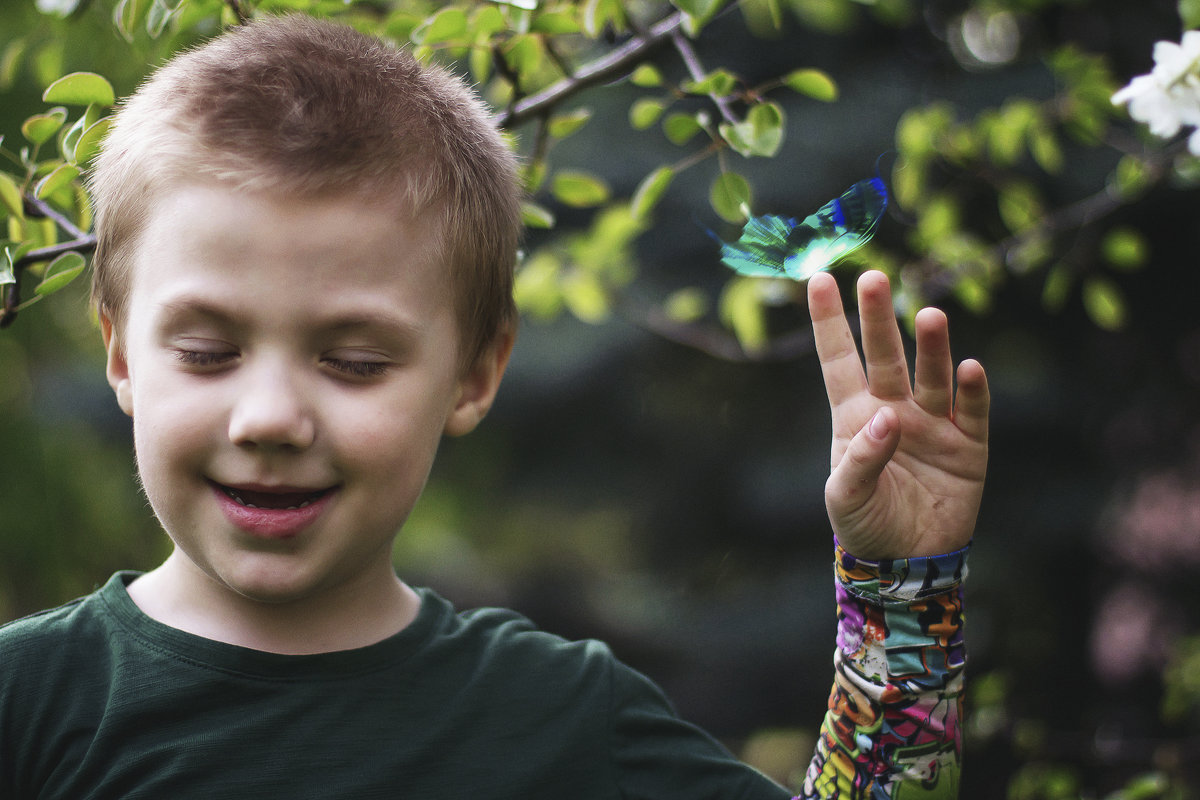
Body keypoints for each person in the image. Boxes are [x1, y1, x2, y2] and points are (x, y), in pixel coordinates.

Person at [0, 15, 989, 799]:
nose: (268, 416)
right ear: (123, 352)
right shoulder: (27, 703)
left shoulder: (563, 718)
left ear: (475, 372)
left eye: (351, 360)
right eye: (210, 349)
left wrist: (901, 589)